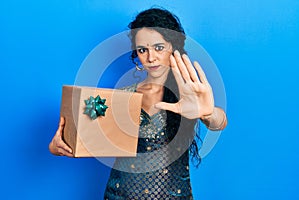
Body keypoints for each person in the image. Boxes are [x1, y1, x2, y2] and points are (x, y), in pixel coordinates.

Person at [49, 7, 227, 199]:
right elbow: (87, 135)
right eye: (143, 50)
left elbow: (220, 122)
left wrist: (207, 113)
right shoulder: (121, 97)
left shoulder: (189, 94)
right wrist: (58, 145)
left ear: (173, 47)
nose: (151, 58)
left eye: (159, 47)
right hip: (120, 195)